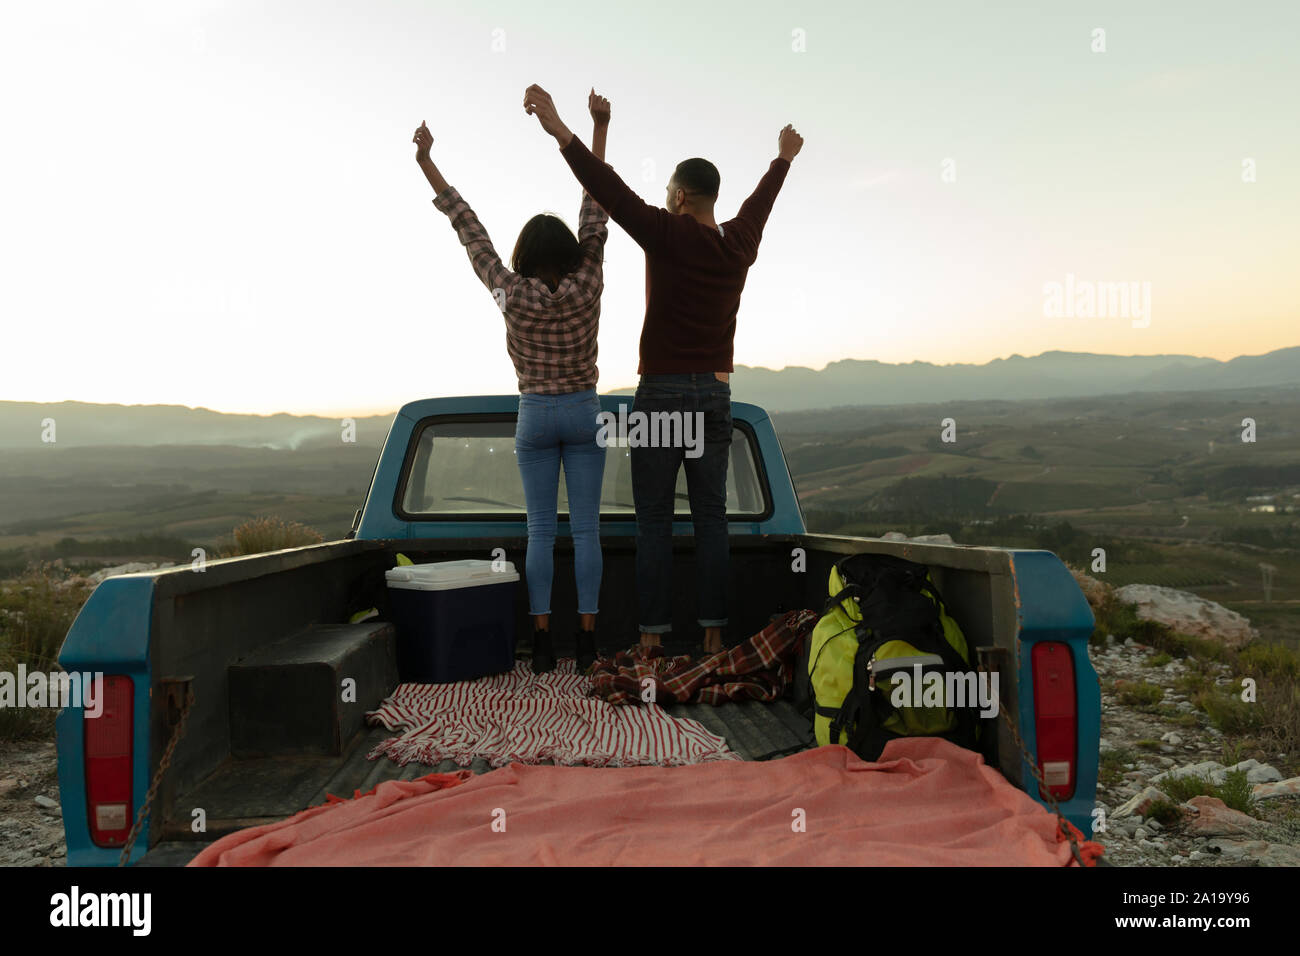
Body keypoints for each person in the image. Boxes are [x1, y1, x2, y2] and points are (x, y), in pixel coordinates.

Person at [522, 84, 802, 655]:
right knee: (711, 519)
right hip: (714, 399)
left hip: (662, 397)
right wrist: (783, 158)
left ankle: (650, 641)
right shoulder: (740, 243)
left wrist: (562, 130)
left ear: (678, 196)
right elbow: (761, 202)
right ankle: (715, 635)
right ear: (710, 198)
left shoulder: (665, 233)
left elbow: (609, 192)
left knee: (653, 519)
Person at [412, 90, 614, 673]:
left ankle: (543, 641)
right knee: (588, 532)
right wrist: (598, 127)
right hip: (582, 411)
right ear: (571, 252)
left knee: (541, 533)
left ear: (525, 253)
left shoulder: (509, 292)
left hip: (534, 415)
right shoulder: (590, 280)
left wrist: (427, 160)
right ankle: (589, 642)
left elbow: (467, 226)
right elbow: (595, 201)